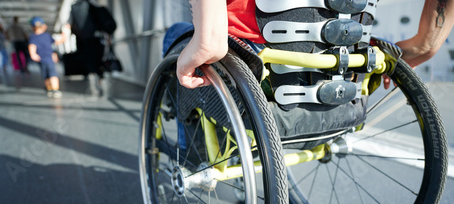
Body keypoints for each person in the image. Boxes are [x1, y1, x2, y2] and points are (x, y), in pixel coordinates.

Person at [177, 0, 454, 89]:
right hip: (343, 67)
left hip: (253, 57)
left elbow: (210, 41)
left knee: (176, 35)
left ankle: (189, 154)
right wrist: (425, 45)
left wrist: (208, 37)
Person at [67, 0, 109, 96]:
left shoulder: (75, 7)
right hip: (98, 39)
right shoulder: (95, 6)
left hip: (84, 41)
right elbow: (104, 22)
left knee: (90, 63)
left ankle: (93, 84)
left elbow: (69, 24)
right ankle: (100, 82)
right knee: (99, 62)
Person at [28, 16, 66, 98]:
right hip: (46, 58)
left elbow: (32, 46)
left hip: (44, 59)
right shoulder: (46, 35)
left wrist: (33, 54)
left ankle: (50, 89)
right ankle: (54, 90)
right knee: (52, 75)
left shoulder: (33, 37)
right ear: (44, 26)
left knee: (46, 75)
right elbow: (55, 43)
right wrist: (63, 37)